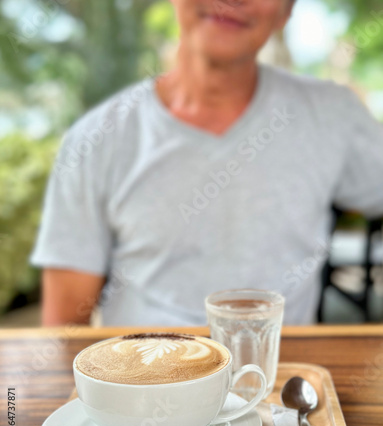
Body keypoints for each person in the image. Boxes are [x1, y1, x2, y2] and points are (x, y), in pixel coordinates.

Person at [30, 0, 383, 326]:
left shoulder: (334, 116)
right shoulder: (94, 139)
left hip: (276, 381)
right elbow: (63, 331)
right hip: (140, 381)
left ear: (286, 10)